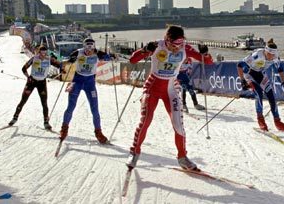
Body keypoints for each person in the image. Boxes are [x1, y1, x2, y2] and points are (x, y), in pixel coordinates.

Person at [126, 25, 213, 171]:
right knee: (145, 120)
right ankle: (134, 152)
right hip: (153, 87)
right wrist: (145, 50)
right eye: (173, 45)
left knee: (178, 123)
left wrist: (205, 53)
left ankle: (182, 157)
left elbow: (208, 62)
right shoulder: (157, 45)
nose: (176, 49)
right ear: (166, 40)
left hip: (171, 88)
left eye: (179, 45)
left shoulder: (186, 48)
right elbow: (133, 60)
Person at [59, 38, 111, 144]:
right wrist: (63, 65)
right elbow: (68, 61)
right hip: (77, 81)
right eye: (87, 48)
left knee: (95, 109)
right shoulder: (78, 53)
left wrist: (111, 56)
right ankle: (64, 129)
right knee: (71, 106)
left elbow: (109, 58)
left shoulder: (98, 54)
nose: (89, 51)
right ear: (84, 47)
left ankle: (98, 132)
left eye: (91, 48)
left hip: (90, 83)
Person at [237, 38, 284, 132]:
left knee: (271, 96)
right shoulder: (257, 55)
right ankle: (261, 120)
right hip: (250, 74)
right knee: (258, 93)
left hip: (260, 74)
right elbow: (239, 64)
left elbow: (280, 69)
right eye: (270, 54)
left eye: (273, 54)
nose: (272, 57)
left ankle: (277, 122)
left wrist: (283, 82)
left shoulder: (275, 56)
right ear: (265, 51)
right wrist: (242, 80)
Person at [8, 45, 62, 129]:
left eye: (45, 53)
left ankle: (46, 122)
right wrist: (28, 77)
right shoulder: (34, 59)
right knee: (23, 100)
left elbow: (60, 65)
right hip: (32, 82)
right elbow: (24, 68)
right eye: (41, 53)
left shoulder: (49, 59)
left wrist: (64, 68)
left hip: (42, 83)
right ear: (39, 52)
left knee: (44, 103)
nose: (43, 55)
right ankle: (14, 118)